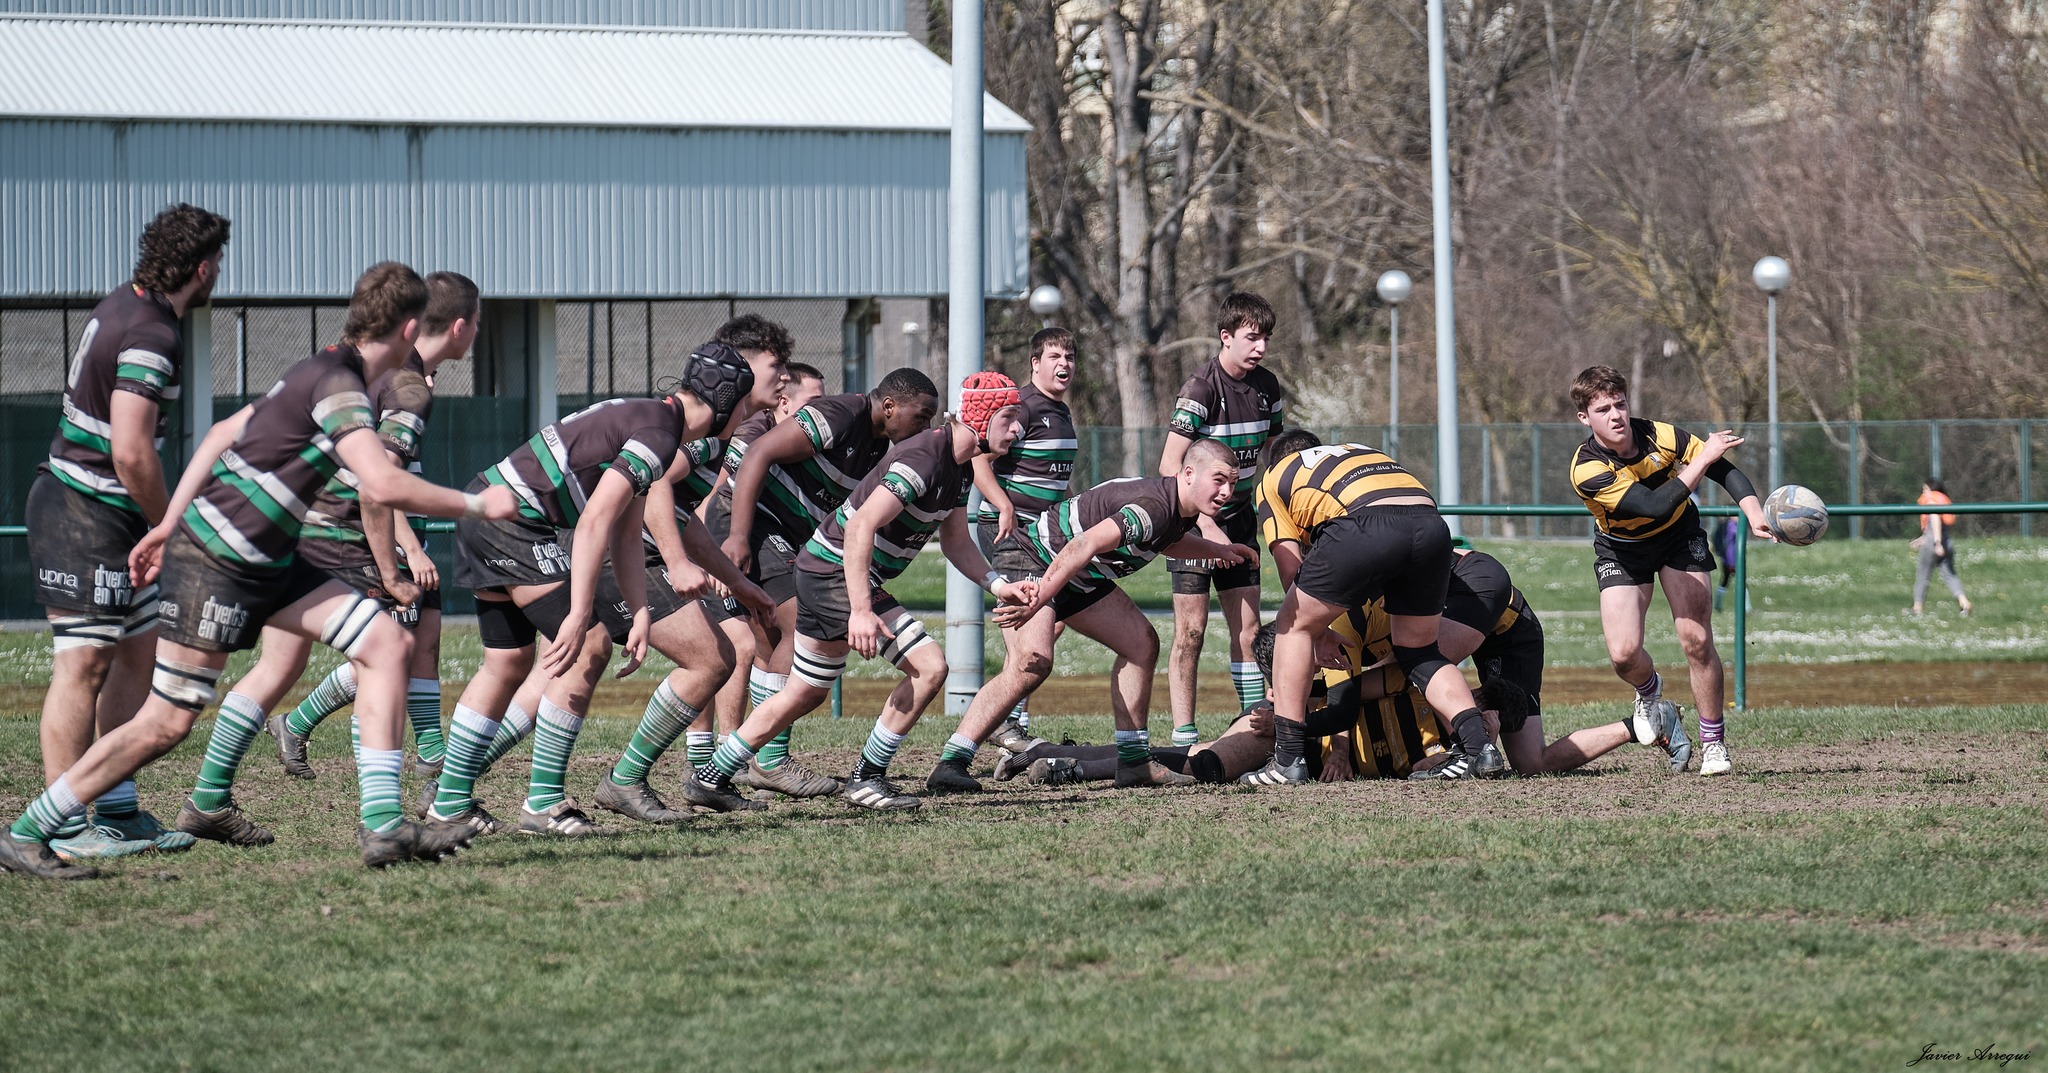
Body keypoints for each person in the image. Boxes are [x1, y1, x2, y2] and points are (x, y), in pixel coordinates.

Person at [2, 262, 522, 879]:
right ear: (410, 327)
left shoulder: (319, 369)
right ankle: (30, 829)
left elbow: (222, 432)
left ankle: (385, 828)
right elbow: (379, 482)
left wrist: (168, 520)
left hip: (271, 554)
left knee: (387, 643)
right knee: (166, 722)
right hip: (221, 561)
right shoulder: (339, 386)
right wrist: (476, 504)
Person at [169, 271, 479, 847]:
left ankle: (211, 797)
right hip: (342, 535)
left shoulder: (355, 368)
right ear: (458, 327)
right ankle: (404, 802)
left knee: (288, 666)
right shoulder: (408, 388)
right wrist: (395, 563)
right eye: (478, 323)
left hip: (300, 528)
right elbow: (374, 485)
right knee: (385, 652)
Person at [424, 341, 778, 837]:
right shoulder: (658, 433)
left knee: (507, 664)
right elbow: (592, 523)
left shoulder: (657, 427)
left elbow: (626, 530)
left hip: (492, 510)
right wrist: (579, 611)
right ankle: (543, 805)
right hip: (515, 523)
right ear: (723, 401)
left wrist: (638, 611)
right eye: (741, 404)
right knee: (585, 645)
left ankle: (449, 803)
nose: (745, 413)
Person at [682, 373, 1013, 812]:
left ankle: (712, 775)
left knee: (804, 691)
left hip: (824, 568)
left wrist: (999, 585)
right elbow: (859, 526)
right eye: (1008, 418)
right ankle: (866, 778)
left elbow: (955, 542)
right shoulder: (925, 458)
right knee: (930, 667)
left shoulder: (958, 466)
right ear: (980, 417)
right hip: (835, 573)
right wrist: (859, 609)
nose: (1016, 430)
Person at [23, 203, 229, 862]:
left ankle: (115, 808)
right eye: (218, 263)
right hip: (81, 509)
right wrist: (170, 524)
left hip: (113, 515)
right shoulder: (151, 332)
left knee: (139, 651)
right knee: (82, 664)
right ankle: (60, 818)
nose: (219, 273)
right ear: (202, 267)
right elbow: (133, 453)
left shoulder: (126, 304)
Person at [933, 438, 1254, 792]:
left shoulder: (1179, 509)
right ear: (1189, 473)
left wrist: (1218, 550)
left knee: (1141, 644)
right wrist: (1042, 596)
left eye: (1233, 483)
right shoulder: (1154, 507)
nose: (1227, 491)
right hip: (1034, 556)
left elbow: (1164, 541)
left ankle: (1133, 763)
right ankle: (952, 761)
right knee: (1032, 662)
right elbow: (1083, 544)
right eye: (1219, 480)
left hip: (1079, 574)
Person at [709, 367, 942, 797]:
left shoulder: (880, 445)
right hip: (752, 522)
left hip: (786, 537)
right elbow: (758, 453)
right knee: (798, 624)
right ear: (888, 407)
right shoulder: (841, 414)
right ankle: (767, 761)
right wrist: (737, 536)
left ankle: (742, 756)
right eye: (921, 416)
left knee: (773, 642)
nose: (924, 427)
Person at [1242, 431, 1496, 785]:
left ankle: (1287, 761)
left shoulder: (1272, 478)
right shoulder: (1357, 451)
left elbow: (1289, 566)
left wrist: (1313, 630)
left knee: (1292, 626)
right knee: (1420, 651)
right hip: (1431, 525)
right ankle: (1478, 749)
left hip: (1364, 524)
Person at [1567, 365, 1774, 778]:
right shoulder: (1586, 468)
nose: (1616, 415)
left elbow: (1723, 469)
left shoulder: (1660, 435)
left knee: (1696, 639)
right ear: (1584, 418)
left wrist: (1753, 512)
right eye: (1603, 408)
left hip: (1679, 537)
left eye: (1620, 404)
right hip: (1623, 550)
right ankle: (1650, 692)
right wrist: (1701, 461)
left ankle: (1713, 744)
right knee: (1624, 655)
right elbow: (1653, 504)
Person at [1158, 293, 1285, 747]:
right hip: (1193, 527)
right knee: (1190, 632)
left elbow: (1272, 451)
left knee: (1248, 631)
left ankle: (1250, 720)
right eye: (1252, 337)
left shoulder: (1268, 387)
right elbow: (1169, 466)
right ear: (1225, 337)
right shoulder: (1200, 389)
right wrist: (1205, 527)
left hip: (1241, 524)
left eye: (1266, 338)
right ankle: (1182, 735)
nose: (1261, 348)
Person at [970, 327, 1078, 739]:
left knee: (1050, 623)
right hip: (1012, 535)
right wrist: (1004, 505)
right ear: (1035, 363)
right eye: (1054, 356)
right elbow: (979, 462)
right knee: (1030, 638)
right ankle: (1009, 728)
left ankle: (1008, 723)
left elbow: (1056, 478)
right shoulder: (1024, 406)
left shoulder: (1060, 410)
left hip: (1047, 535)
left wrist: (1072, 514)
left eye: (1069, 356)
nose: (1063, 364)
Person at [1910, 477, 1972, 617]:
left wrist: (1937, 543)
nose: (1923, 492)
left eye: (1925, 489)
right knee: (1950, 575)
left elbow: (1935, 518)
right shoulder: (1943, 500)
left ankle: (1917, 608)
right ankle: (1964, 603)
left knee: (1922, 575)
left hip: (1934, 543)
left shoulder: (1931, 501)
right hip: (1948, 542)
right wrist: (1921, 540)